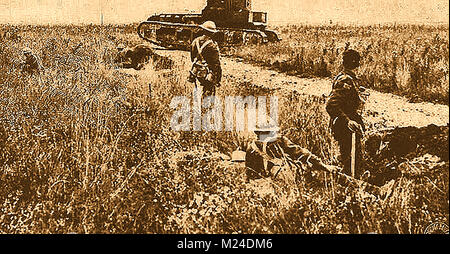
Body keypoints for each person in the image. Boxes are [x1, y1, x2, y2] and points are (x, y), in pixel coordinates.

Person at [245, 120, 327, 185]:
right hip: (278, 184)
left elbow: (249, 173)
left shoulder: (251, 147)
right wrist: (321, 164)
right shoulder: (279, 141)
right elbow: (301, 153)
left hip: (258, 185)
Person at [326, 49, 365, 177]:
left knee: (350, 159)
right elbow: (331, 105)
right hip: (345, 127)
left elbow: (346, 100)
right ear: (356, 63)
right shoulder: (346, 80)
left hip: (347, 125)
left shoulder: (345, 77)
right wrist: (348, 121)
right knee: (350, 161)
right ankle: (349, 184)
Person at [188, 21, 222, 97]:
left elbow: (192, 57)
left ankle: (199, 106)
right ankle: (206, 108)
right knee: (208, 93)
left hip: (196, 71)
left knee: (199, 92)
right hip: (207, 72)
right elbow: (216, 64)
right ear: (212, 33)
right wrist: (218, 79)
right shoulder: (212, 45)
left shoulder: (195, 41)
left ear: (203, 30)